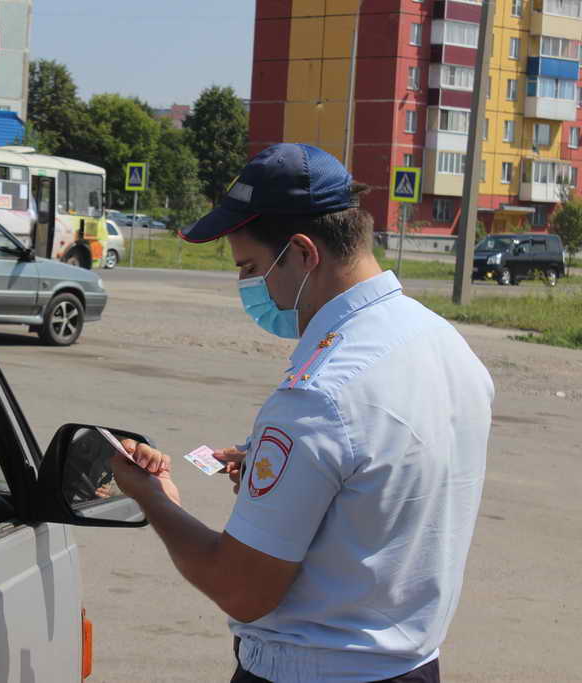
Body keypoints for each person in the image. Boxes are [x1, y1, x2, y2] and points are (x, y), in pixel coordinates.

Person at [110, 143, 494, 683]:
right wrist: (289, 476)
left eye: (250, 267)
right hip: (413, 663)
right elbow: (386, 482)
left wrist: (154, 497)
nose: (247, 286)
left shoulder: (319, 396)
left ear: (302, 253)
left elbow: (241, 589)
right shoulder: (445, 344)